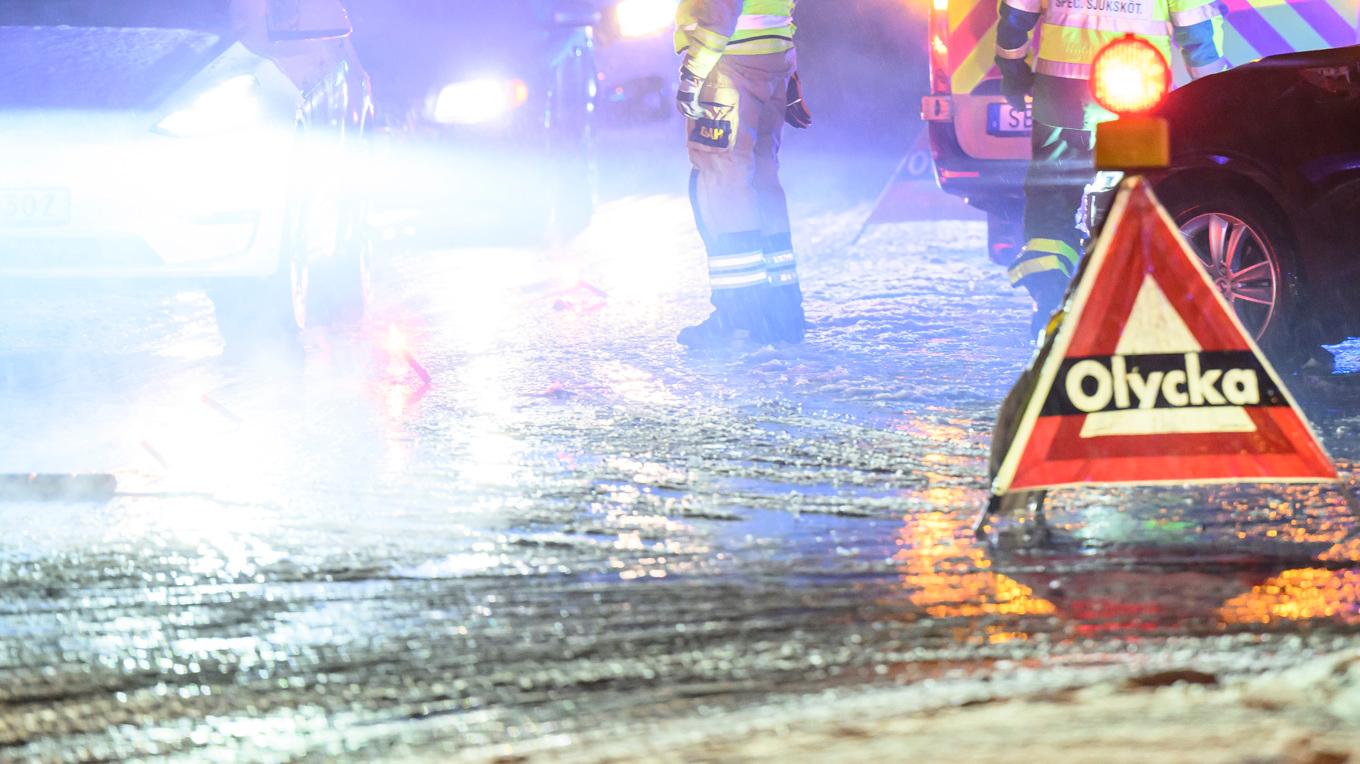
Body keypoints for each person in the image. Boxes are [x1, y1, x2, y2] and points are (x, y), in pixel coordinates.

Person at [994, 0, 1226, 336]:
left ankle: (1049, 307)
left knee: (1053, 199)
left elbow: (1016, 17)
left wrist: (1013, 75)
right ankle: (1136, 308)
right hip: (1139, 98)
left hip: (1062, 97)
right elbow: (1196, 30)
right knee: (1137, 198)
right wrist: (1212, 96)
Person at [674, 0, 812, 348]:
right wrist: (789, 73)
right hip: (773, 62)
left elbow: (720, 10)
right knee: (762, 181)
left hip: (728, 64)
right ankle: (782, 315)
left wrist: (693, 72)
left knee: (724, 183)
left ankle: (740, 321)